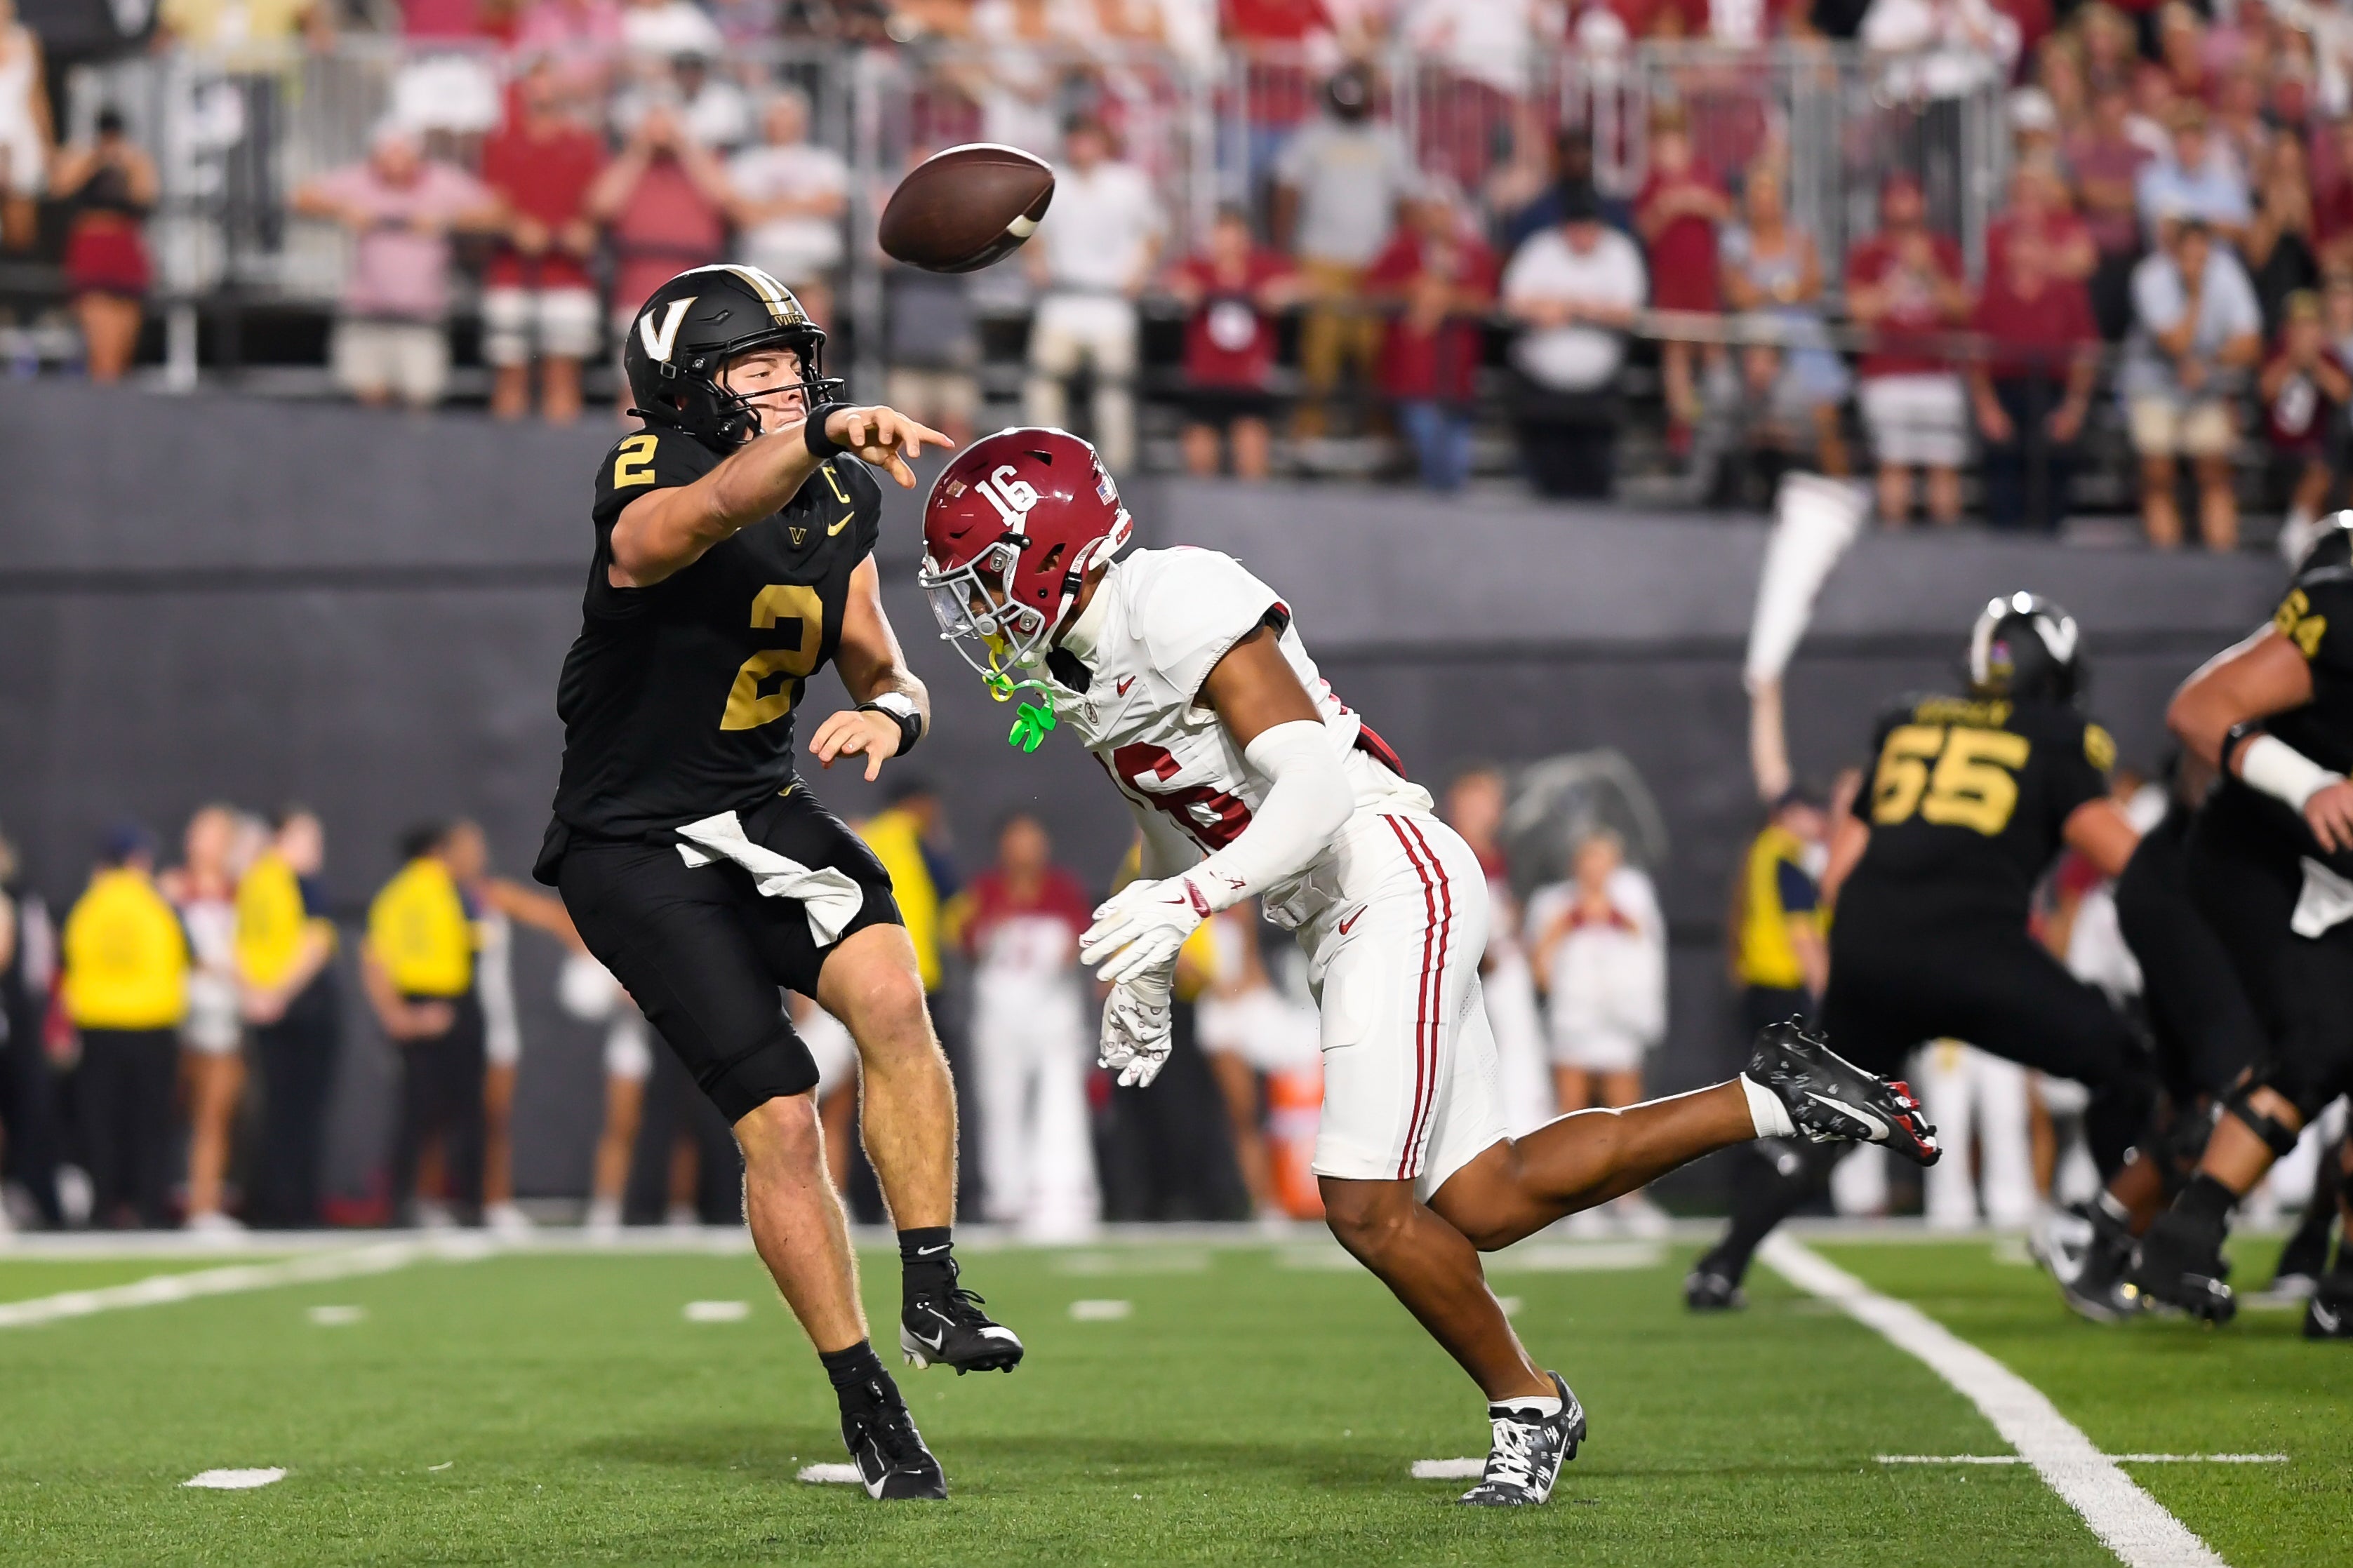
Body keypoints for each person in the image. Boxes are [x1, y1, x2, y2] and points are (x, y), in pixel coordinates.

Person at [918, 425, 1937, 1506]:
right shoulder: (1070, 664)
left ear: (1048, 546)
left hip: (1385, 869)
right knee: (1484, 1198)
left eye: (982, 574)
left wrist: (1190, 901)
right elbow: (1177, 823)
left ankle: (1529, 1401)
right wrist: (1157, 957)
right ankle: (1773, 1095)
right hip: (1336, 907)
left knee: (1363, 1204)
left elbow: (1309, 787)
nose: (975, 607)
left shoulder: (1172, 595)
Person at [531, 262, 1013, 1501]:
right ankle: (867, 1400)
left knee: (896, 999)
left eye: (797, 362)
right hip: (630, 844)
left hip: (756, 808)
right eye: (757, 369)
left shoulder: (839, 489)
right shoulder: (645, 473)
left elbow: (884, 670)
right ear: (687, 393)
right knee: (784, 1115)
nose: (791, 385)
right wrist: (809, 445)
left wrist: (894, 723)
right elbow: (682, 530)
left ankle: (934, 1285)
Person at [1685, 595, 2150, 1311]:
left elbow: (1839, 873)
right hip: (1975, 948)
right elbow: (2122, 856)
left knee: (1830, 1108)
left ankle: (1721, 1264)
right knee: (2125, 1065)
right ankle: (2106, 1250)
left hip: (1871, 947)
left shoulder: (1909, 722)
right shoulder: (2057, 735)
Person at [2124, 516, 2353, 1336]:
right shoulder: (2340, 606)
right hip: (2255, 856)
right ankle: (2175, 1235)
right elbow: (2198, 707)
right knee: (2324, 1042)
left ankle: (2330, 1278)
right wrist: (2308, 785)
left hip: (2325, 872)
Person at [953, 812, 1097, 1240]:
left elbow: (1083, 943)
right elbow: (965, 942)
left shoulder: (1063, 890)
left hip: (1053, 1012)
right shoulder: (984, 890)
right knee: (1001, 1100)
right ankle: (1006, 1195)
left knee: (1061, 1100)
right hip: (1000, 1013)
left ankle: (1063, 1193)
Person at [291, 126, 501, 411]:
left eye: (402, 153)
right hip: (367, 312)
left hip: (421, 315)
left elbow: (497, 212)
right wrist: (341, 209)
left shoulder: (443, 182)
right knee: (368, 398)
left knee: (420, 399)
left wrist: (447, 220)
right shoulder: (361, 180)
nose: (395, 162)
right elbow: (300, 197)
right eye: (388, 154)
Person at [440, 819, 581, 1237]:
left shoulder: (491, 894)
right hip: (452, 1024)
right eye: (465, 846)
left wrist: (601, 956)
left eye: (477, 846)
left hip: (494, 1023)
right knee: (442, 1115)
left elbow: (552, 917)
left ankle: (495, 1200)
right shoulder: (435, 897)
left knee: (494, 1115)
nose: (475, 854)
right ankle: (435, 1200)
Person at [1272, 65, 1419, 442]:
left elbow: (1405, 200)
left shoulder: (1388, 139)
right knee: (1320, 350)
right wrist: (1283, 251)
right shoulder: (1312, 136)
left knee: (1374, 350)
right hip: (1321, 257)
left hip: (1375, 262)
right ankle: (1310, 429)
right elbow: (1287, 191)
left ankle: (1379, 430)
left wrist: (1404, 256)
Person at [60, 826, 189, 1228]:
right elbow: (185, 957)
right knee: (150, 1124)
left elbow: (69, 963)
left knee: (101, 1123)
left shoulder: (88, 908)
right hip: (151, 1025)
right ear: (138, 862)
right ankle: (149, 1206)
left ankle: (103, 1207)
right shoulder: (157, 905)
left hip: (98, 1027)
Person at [365, 824, 489, 1227]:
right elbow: (474, 947)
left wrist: (395, 1014)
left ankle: (406, 1203)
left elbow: (375, 957)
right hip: (448, 1001)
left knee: (415, 1114)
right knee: (463, 1114)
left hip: (418, 1002)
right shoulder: (450, 891)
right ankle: (467, 1204)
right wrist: (407, 1015)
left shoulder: (394, 894)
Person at [1022, 114, 1162, 474]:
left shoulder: (1128, 184)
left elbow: (1154, 233)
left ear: (1102, 143)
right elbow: (1028, 230)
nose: (1081, 147)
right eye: (1076, 139)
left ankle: (1116, 472)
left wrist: (1138, 274)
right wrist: (1036, 263)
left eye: (1088, 139)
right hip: (1061, 302)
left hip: (1110, 305)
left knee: (1113, 395)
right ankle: (1042, 466)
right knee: (1043, 387)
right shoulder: (1053, 184)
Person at [2121, 216, 2262, 550]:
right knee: (2158, 472)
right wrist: (2196, 294)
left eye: (2203, 256)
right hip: (2153, 386)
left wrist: (2209, 364)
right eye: (2189, 256)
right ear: (2174, 252)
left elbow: (2251, 343)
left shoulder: (2227, 274)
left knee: (2216, 470)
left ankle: (2221, 558)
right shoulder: (2150, 277)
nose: (2197, 264)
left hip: (2206, 387)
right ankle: (2166, 556)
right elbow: (2177, 343)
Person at [587, 105, 735, 416]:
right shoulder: (629, 168)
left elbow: (728, 201)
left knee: (702, 388)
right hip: (638, 291)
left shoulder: (702, 167)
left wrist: (685, 145)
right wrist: (639, 148)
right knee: (635, 388)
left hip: (699, 296)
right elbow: (600, 205)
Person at [479, 62, 606, 424]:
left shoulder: (583, 145)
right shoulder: (502, 143)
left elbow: (598, 204)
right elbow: (488, 203)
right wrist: (515, 226)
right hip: (511, 273)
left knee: (563, 376)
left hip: (568, 274)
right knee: (510, 374)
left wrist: (586, 230)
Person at [1502, 180, 1646, 499]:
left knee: (1593, 485)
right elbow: (1513, 302)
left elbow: (1628, 311)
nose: (1582, 235)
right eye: (1575, 226)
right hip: (1541, 389)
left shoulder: (1619, 252)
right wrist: (1550, 309)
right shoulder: (1540, 248)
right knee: (1546, 485)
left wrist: (1572, 309)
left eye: (1589, 227)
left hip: (1598, 392)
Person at [1846, 173, 1973, 527]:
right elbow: (1860, 311)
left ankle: (1949, 548)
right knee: (1893, 464)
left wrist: (1929, 271)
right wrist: (1901, 274)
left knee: (1944, 467)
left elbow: (1962, 308)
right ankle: (1895, 547)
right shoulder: (1868, 253)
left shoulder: (1944, 250)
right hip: (1887, 374)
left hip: (1937, 373)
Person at [236, 808, 341, 1230]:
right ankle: (296, 1204)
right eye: (308, 840)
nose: (317, 851)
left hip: (266, 1006)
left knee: (273, 1109)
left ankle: (269, 1201)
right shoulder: (299, 882)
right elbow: (315, 943)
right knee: (301, 1112)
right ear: (282, 840)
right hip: (302, 1006)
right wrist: (278, 993)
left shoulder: (253, 880)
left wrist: (256, 995)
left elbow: (241, 943)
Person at [1718, 161, 1851, 481]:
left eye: (1770, 194)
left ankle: (1839, 487)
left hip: (1802, 334)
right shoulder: (1736, 240)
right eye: (1758, 194)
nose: (1764, 202)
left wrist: (1767, 291)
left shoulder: (1799, 237)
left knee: (1825, 416)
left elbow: (1812, 286)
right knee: (1759, 407)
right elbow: (1739, 294)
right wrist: (1784, 290)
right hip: (1758, 337)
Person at [1439, 765, 1552, 1139]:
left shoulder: (1502, 855)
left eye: (1491, 801)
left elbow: (1506, 911)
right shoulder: (1450, 850)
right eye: (1478, 801)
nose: (1488, 810)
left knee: (1521, 1054)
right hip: (1466, 971)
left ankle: (1525, 1133)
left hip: (1504, 967)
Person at [1968, 224, 2100, 534]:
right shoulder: (1991, 293)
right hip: (2006, 392)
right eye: (2020, 244)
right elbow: (1976, 353)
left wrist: (2074, 408)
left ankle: (2050, 540)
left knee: (2054, 469)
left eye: (2033, 244)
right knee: (2002, 471)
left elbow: (2085, 353)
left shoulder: (2067, 294)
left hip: (2053, 391)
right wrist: (1987, 407)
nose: (2026, 253)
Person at [1364, 193, 1499, 492]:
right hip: (1412, 372)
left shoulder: (1473, 253)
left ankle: (1450, 512)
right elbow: (1371, 292)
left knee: (1455, 454)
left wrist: (1445, 299)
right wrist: (1409, 291)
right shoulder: (1402, 250)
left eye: (1444, 210)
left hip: (1458, 373)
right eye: (1431, 210)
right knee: (1425, 439)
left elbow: (1486, 300)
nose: (1438, 218)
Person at [163, 805, 247, 1235]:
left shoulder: (243, 894)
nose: (202, 843)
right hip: (173, 1015)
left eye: (214, 834)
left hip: (224, 1016)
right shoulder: (171, 890)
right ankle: (140, 1202)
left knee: (214, 1115)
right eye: (198, 833)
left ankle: (204, 1204)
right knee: (164, 1113)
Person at [1168, 204, 1298, 481]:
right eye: (1221, 235)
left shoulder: (1262, 268)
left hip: (1249, 380)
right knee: (1199, 457)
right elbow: (1168, 280)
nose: (1227, 244)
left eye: (1233, 236)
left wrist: (1283, 292)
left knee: (1252, 452)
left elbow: (1307, 284)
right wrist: (1180, 289)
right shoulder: (1199, 267)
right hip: (1205, 378)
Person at [1632, 107, 1730, 455]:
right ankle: (1683, 424)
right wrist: (1666, 207)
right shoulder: (1652, 184)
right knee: (1676, 352)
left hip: (1703, 279)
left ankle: (1719, 414)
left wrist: (1695, 201)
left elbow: (1725, 210)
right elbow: (1644, 232)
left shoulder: (1702, 174)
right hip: (1670, 281)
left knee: (1712, 346)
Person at [48, 109, 156, 384]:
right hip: (92, 248)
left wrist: (126, 163)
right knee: (102, 353)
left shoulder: (134, 160)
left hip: (124, 247)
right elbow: (59, 186)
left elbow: (146, 195)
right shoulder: (82, 156)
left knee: (123, 353)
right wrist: (95, 160)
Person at [728, 90, 848, 328]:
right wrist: (804, 204)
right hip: (762, 266)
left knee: (814, 332)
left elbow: (833, 204)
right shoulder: (745, 163)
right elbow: (743, 214)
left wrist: (772, 206)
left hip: (813, 266)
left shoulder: (824, 160)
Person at [2258, 291, 2349, 551]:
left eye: (2311, 325)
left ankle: (2301, 533)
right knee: (2319, 469)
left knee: (2323, 468)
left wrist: (2315, 364)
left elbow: (2342, 392)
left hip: (2317, 451)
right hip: (2279, 450)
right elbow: (2264, 391)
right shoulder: (2276, 355)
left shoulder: (2328, 358)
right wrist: (2292, 361)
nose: (2304, 332)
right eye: (2298, 326)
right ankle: (2296, 536)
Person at [0, 0, 50, 255]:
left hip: (22, 144)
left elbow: (37, 98)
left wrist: (48, 148)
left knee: (22, 233)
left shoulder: (27, 40)